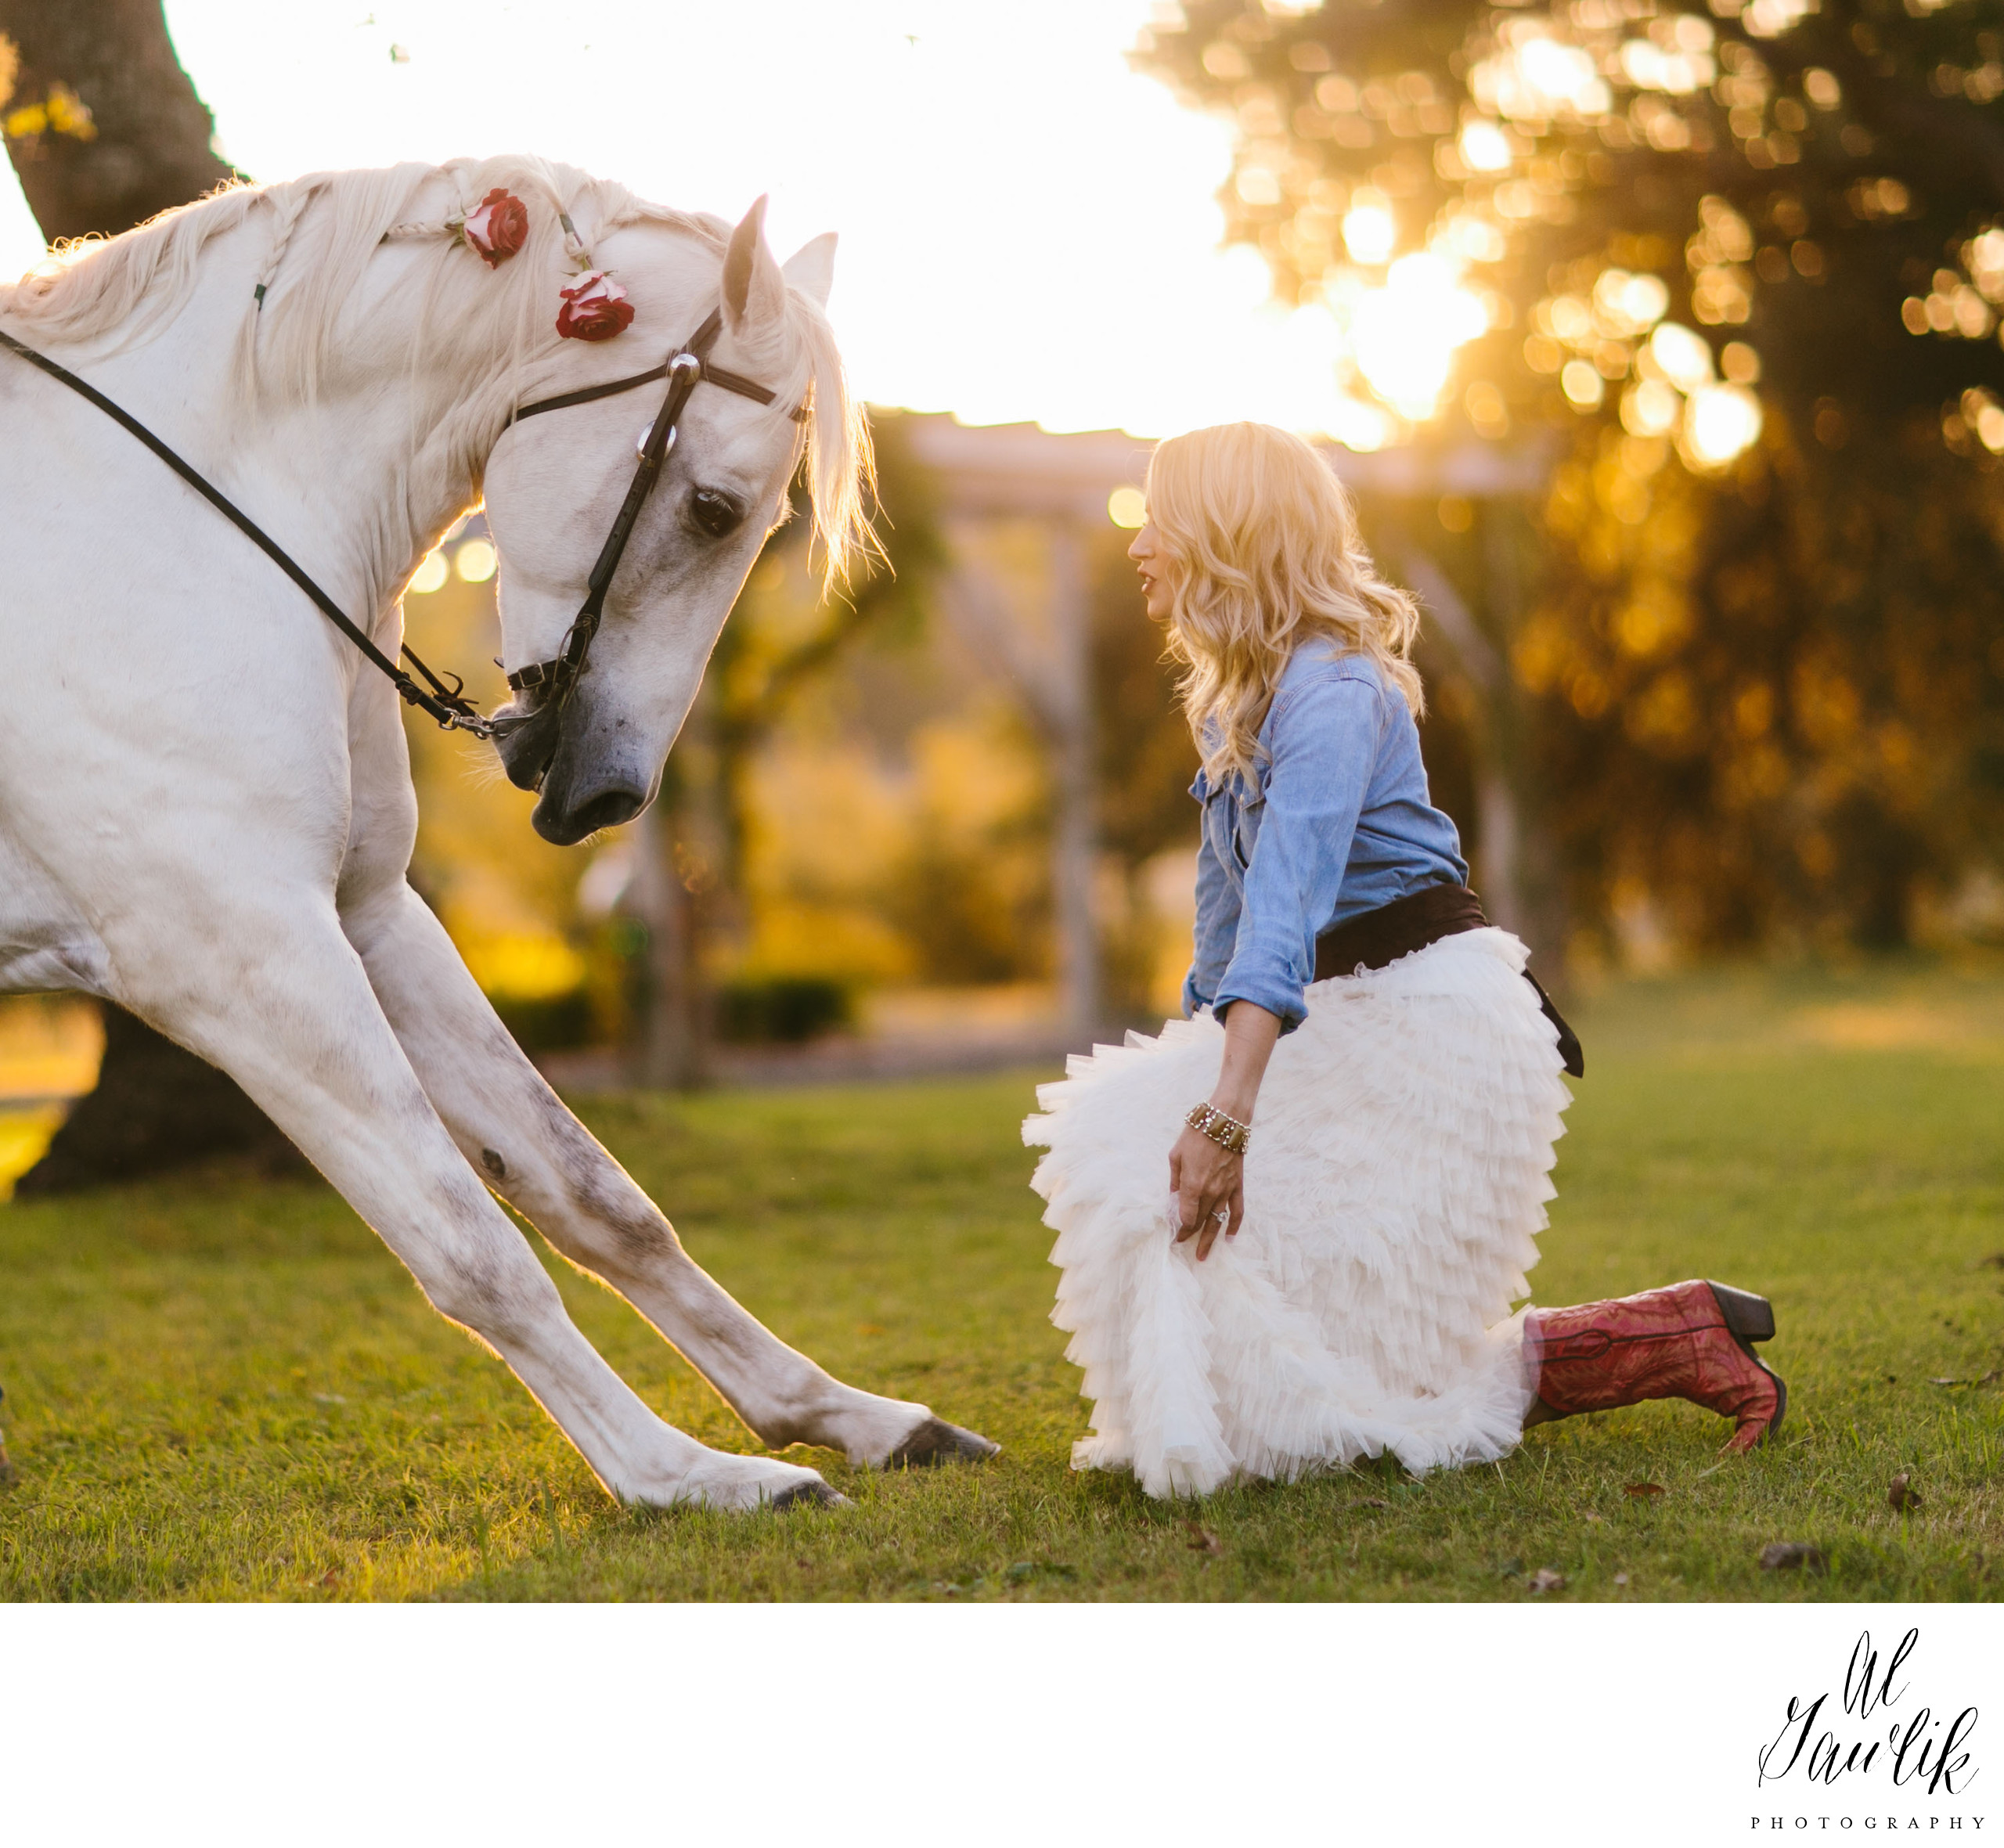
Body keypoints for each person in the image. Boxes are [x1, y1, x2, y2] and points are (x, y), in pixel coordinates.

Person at [1022, 422, 1783, 1501]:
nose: (1138, 543)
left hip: (1430, 1026)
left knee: (1294, 1332)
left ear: (1225, 534)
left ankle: (1675, 1335)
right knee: (1201, 1212)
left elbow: (1284, 904)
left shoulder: (1334, 694)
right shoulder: (1239, 697)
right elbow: (1227, 915)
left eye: (1159, 519)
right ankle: (1679, 1331)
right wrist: (1201, 1063)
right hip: (1350, 1009)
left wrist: (1226, 1115)